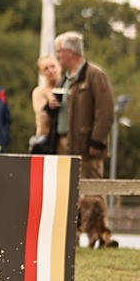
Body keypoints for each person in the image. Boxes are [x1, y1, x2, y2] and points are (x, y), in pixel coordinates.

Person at [53, 31, 114, 178]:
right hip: (65, 145)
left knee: (92, 196)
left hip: (86, 148)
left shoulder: (95, 75)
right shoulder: (64, 79)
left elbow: (105, 111)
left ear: (70, 52)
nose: (57, 55)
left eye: (59, 51)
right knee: (67, 193)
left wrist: (97, 142)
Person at [30, 54, 62, 153]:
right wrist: (49, 105)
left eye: (53, 66)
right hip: (45, 139)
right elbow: (42, 117)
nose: (50, 71)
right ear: (41, 72)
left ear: (59, 66)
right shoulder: (38, 92)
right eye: (46, 68)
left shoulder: (68, 87)